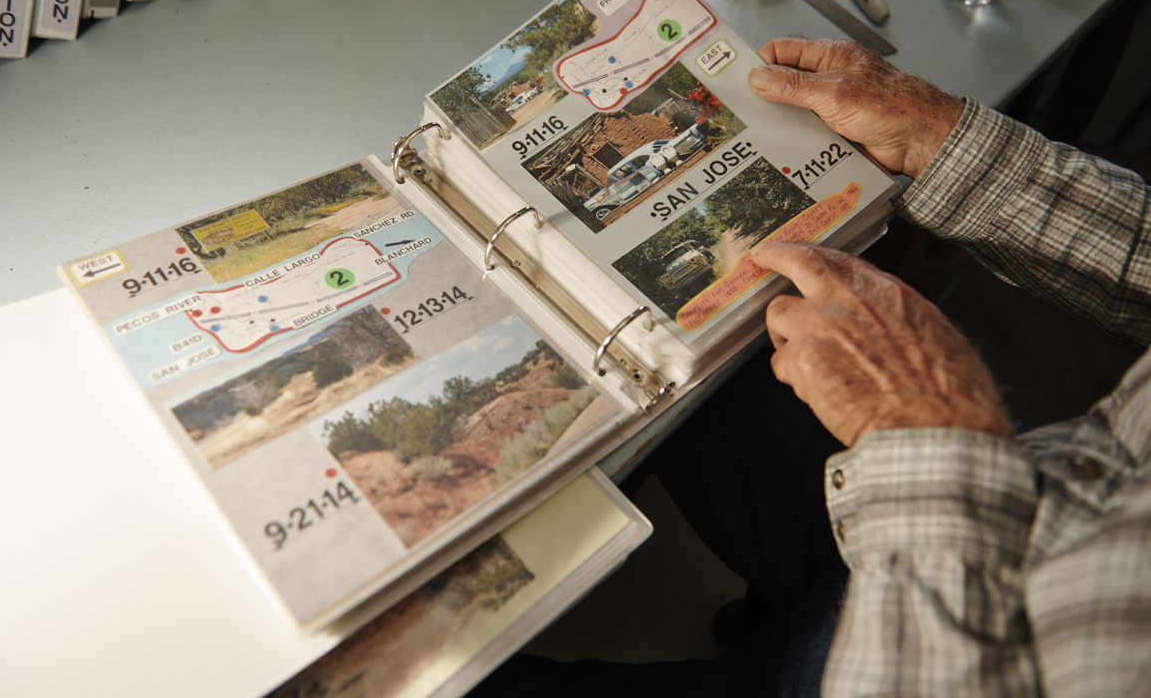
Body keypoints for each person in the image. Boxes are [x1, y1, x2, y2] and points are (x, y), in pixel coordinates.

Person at [471, 38, 1151, 698]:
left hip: (938, 656)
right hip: (1047, 491)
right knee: (674, 349)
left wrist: (931, 433)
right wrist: (951, 145)